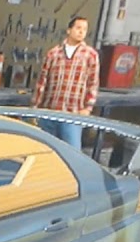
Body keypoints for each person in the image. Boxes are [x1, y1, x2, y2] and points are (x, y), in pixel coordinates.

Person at [30, 16, 101, 150]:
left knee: (72, 152)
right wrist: (36, 106)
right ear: (69, 30)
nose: (81, 32)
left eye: (84, 29)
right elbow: (42, 81)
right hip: (49, 112)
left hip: (73, 114)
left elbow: (93, 83)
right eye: (78, 28)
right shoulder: (53, 53)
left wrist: (87, 108)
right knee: (45, 150)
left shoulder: (90, 55)